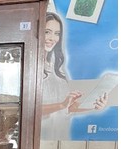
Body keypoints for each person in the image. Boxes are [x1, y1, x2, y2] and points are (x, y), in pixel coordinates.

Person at [41, 11, 108, 140]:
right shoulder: (30, 66)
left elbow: (68, 108)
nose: (52, 38)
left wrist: (92, 105)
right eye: (47, 32)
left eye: (57, 34)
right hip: (39, 136)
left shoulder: (57, 67)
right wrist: (61, 105)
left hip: (59, 135)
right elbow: (28, 110)